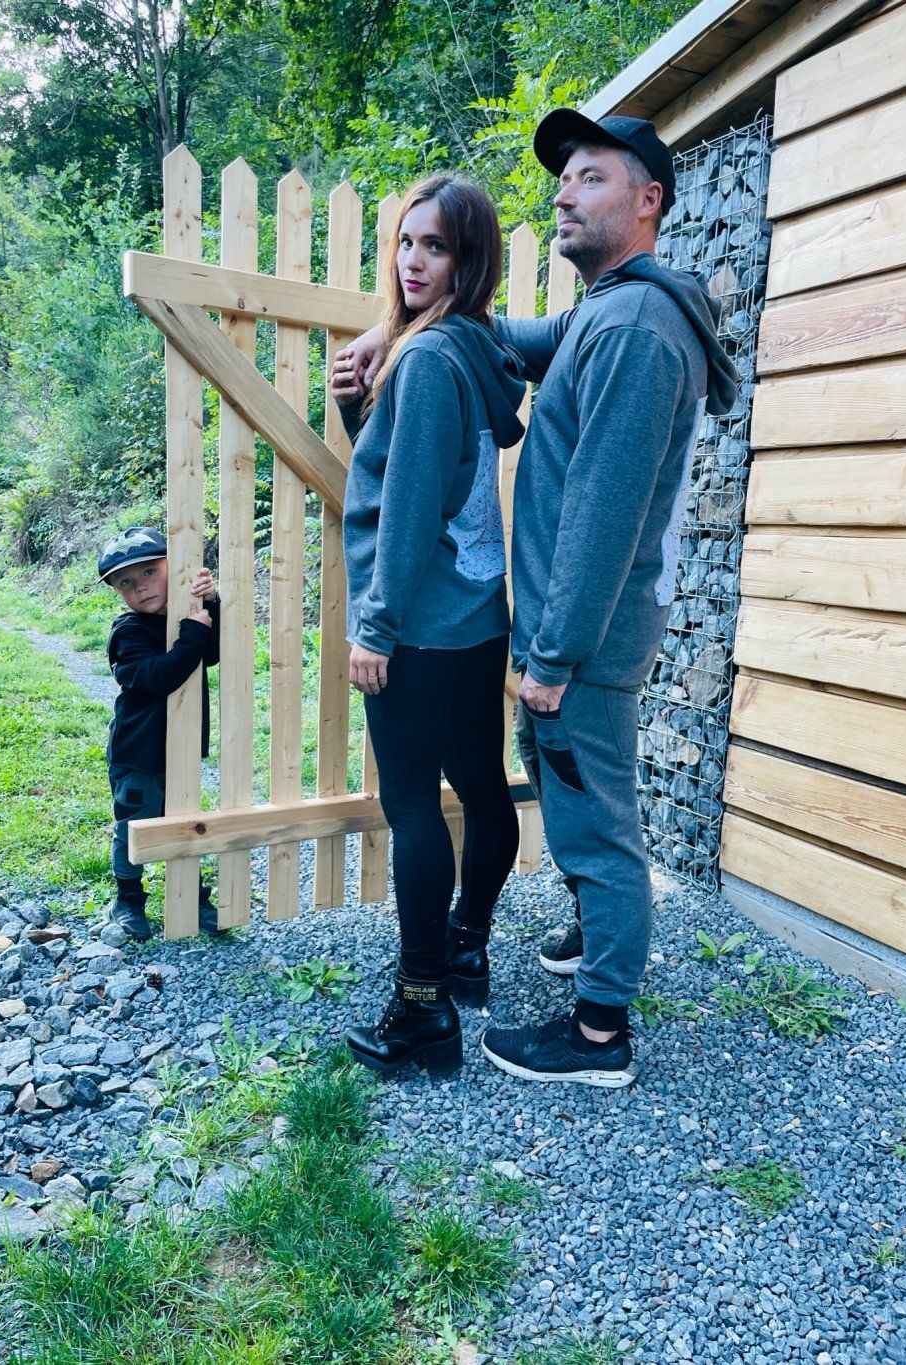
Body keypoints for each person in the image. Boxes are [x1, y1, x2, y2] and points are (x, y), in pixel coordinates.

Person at [334, 112, 737, 1087]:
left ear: (647, 201)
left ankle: (598, 1031)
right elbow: (505, 335)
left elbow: (602, 515)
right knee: (563, 796)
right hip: (548, 623)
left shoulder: (634, 332)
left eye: (591, 177)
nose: (564, 193)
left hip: (581, 634)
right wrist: (394, 328)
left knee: (597, 823)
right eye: (565, 178)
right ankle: (591, 936)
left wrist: (551, 660)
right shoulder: (610, 308)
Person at [331, 173, 527, 1079]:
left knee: (412, 806)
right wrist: (356, 405)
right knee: (482, 785)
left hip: (415, 624)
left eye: (436, 246)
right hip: (477, 613)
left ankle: (422, 1006)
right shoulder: (477, 350)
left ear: (469, 258)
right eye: (407, 242)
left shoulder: (425, 360)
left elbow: (405, 512)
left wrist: (376, 626)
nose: (413, 261)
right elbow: (416, 470)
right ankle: (467, 947)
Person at [98, 526, 223, 941]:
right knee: (134, 824)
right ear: (116, 590)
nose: (140, 587)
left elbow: (211, 652)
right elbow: (157, 677)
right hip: (139, 752)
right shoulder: (128, 632)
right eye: (125, 582)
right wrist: (194, 634)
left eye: (150, 572)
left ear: (174, 568)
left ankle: (192, 897)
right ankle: (128, 901)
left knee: (185, 822)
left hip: (181, 747)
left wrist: (210, 603)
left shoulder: (184, 616)